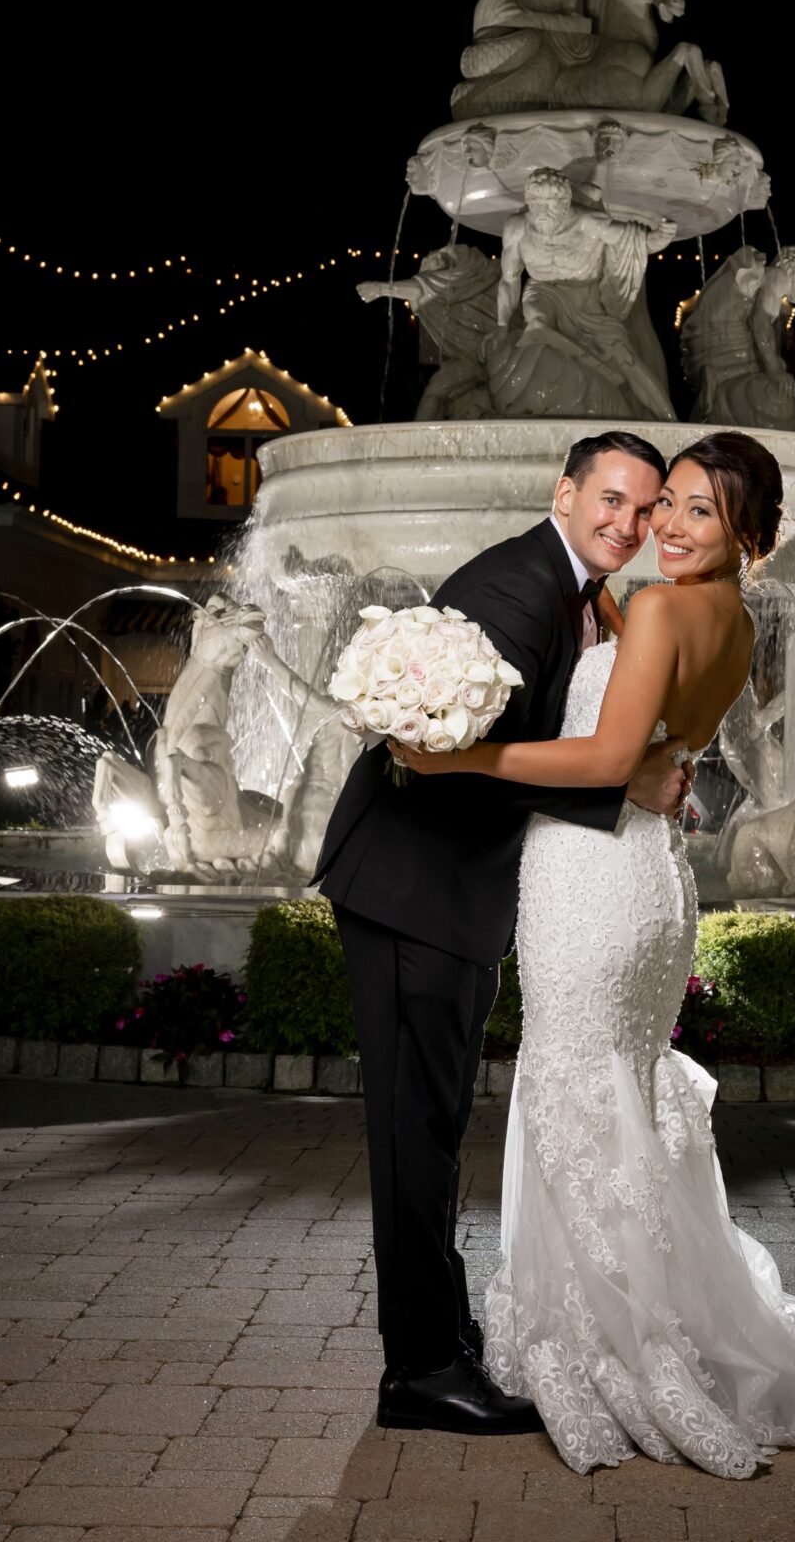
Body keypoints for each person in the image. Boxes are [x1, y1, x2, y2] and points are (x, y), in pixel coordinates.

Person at [393, 431, 795, 1475]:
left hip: (588, 876)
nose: (667, 523)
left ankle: (606, 1339)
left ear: (749, 533)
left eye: (700, 509)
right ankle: (647, 1314)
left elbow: (613, 756)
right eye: (671, 503)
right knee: (624, 1094)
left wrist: (454, 754)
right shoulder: (731, 621)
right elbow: (657, 740)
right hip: (655, 883)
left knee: (576, 1090)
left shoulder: (655, 606)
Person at [312, 430, 692, 1437]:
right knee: (413, 1133)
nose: (630, 523)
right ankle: (422, 1370)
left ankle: (442, 1340)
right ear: (564, 492)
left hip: (451, 894)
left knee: (429, 1127)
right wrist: (626, 783)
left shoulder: (574, 590)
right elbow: (465, 753)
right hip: (413, 886)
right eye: (612, 498)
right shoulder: (520, 588)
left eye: (646, 509)